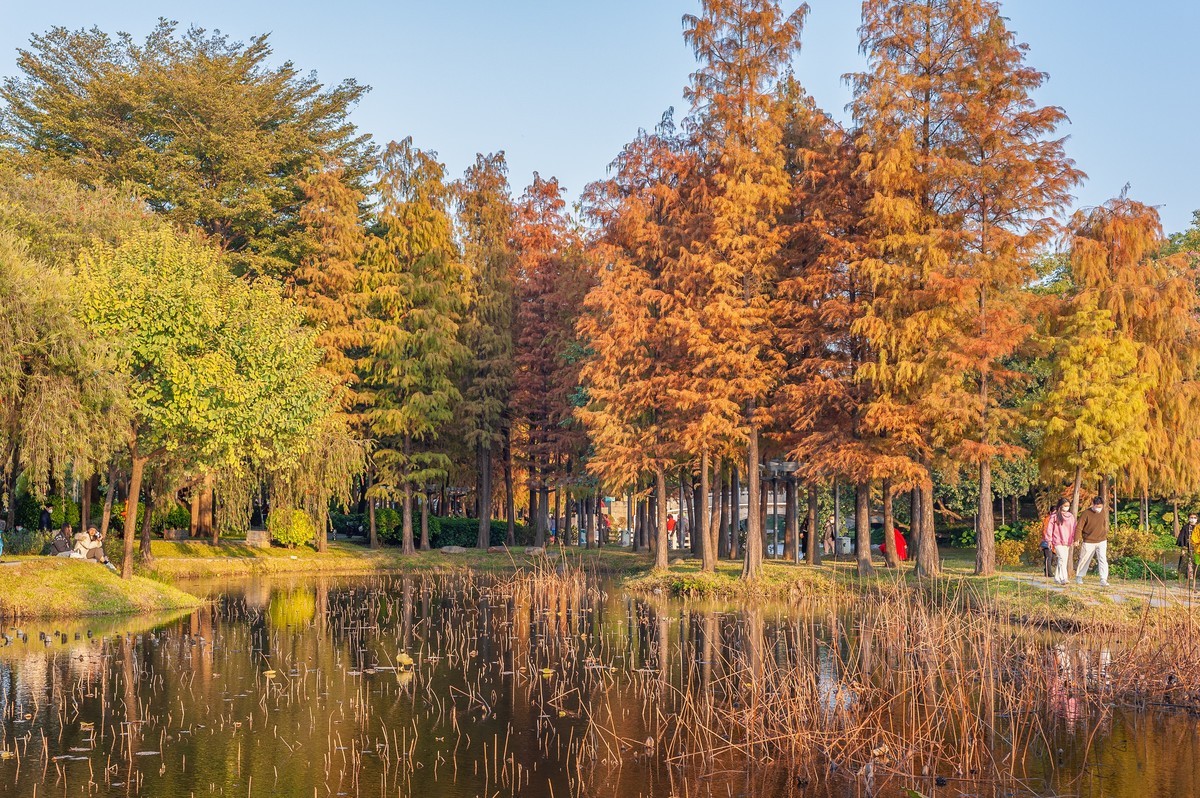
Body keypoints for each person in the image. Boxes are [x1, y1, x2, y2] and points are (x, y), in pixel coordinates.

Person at [1075, 496, 1109, 587]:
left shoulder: (1103, 512)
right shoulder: (1086, 513)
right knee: (1084, 559)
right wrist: (1077, 539)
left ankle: (1103, 579)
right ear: (1093, 504)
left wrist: (1105, 534)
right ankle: (1079, 576)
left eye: (1100, 506)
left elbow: (1104, 524)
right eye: (1097, 506)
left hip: (1102, 540)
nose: (1099, 509)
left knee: (1102, 559)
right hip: (1089, 540)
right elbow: (1079, 527)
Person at [1042, 498, 1076, 586]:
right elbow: (1049, 529)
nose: (1067, 507)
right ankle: (1064, 578)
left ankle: (1057, 577)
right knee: (1062, 558)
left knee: (1063, 559)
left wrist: (1074, 539)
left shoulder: (1071, 516)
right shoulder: (1054, 516)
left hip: (1067, 541)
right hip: (1057, 540)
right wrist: (1048, 540)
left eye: (1068, 506)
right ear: (1060, 506)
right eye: (1065, 506)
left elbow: (1074, 529)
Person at [1177, 512, 1198, 581]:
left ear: (1197, 519)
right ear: (1189, 518)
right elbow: (1181, 538)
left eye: (1194, 518)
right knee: (1188, 561)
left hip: (1197, 548)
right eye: (1191, 517)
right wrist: (1183, 548)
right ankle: (1189, 577)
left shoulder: (1199, 527)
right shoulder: (1185, 527)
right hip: (1187, 547)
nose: (1193, 519)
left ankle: (1197, 576)